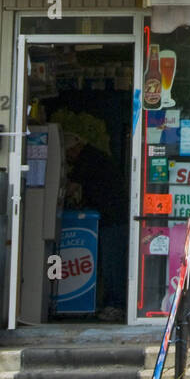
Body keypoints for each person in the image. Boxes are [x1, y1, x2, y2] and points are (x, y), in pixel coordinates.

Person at [62, 129, 127, 318]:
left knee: (112, 264)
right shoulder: (95, 156)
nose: (69, 159)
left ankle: (116, 305)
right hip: (112, 216)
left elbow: (69, 188)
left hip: (112, 218)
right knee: (112, 263)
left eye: (68, 155)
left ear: (74, 149)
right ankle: (113, 303)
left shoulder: (87, 159)